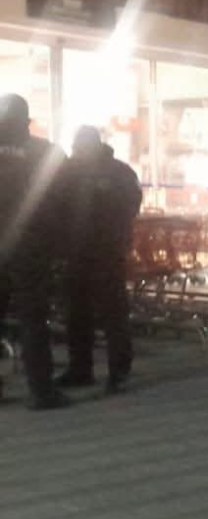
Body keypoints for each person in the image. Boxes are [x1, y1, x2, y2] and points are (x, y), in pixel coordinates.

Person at [56, 126, 142, 394]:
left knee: (102, 312)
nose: (75, 152)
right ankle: (94, 369)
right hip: (92, 251)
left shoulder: (109, 172)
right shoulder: (117, 172)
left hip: (96, 250)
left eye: (78, 147)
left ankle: (104, 369)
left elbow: (130, 206)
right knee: (88, 312)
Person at [0, 93, 69, 409]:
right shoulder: (46, 153)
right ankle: (41, 390)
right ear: (26, 121)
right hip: (31, 246)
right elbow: (66, 201)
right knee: (33, 318)